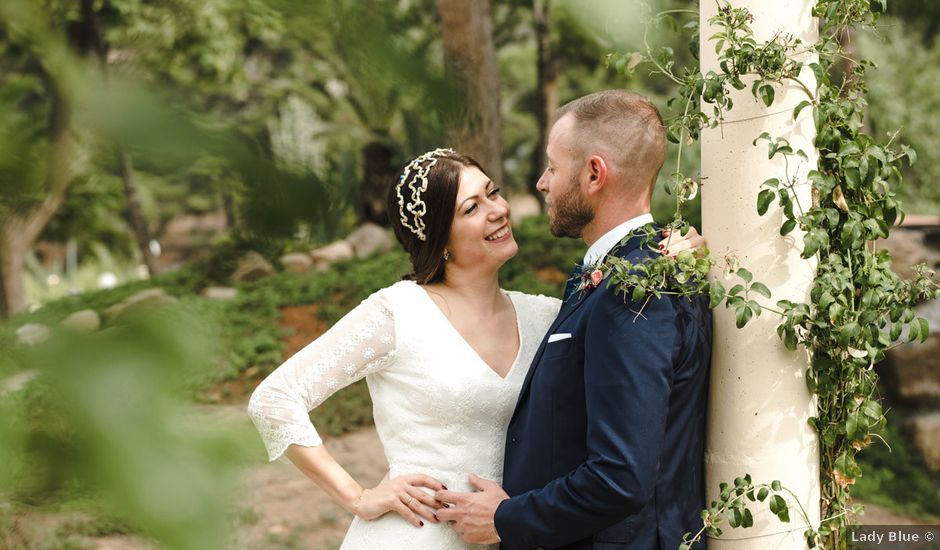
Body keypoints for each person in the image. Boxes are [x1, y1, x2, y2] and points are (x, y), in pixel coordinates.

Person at [248, 145, 704, 549]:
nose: (497, 210)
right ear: (438, 238)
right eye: (471, 207)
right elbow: (274, 399)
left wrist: (676, 261)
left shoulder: (545, 315)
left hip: (508, 532)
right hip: (414, 535)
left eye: (493, 191)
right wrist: (361, 497)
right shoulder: (398, 312)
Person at [436, 90, 712, 550]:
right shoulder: (633, 270)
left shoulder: (634, 289)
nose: (542, 182)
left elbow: (621, 477)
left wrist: (508, 518)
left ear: (593, 173)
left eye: (552, 166)